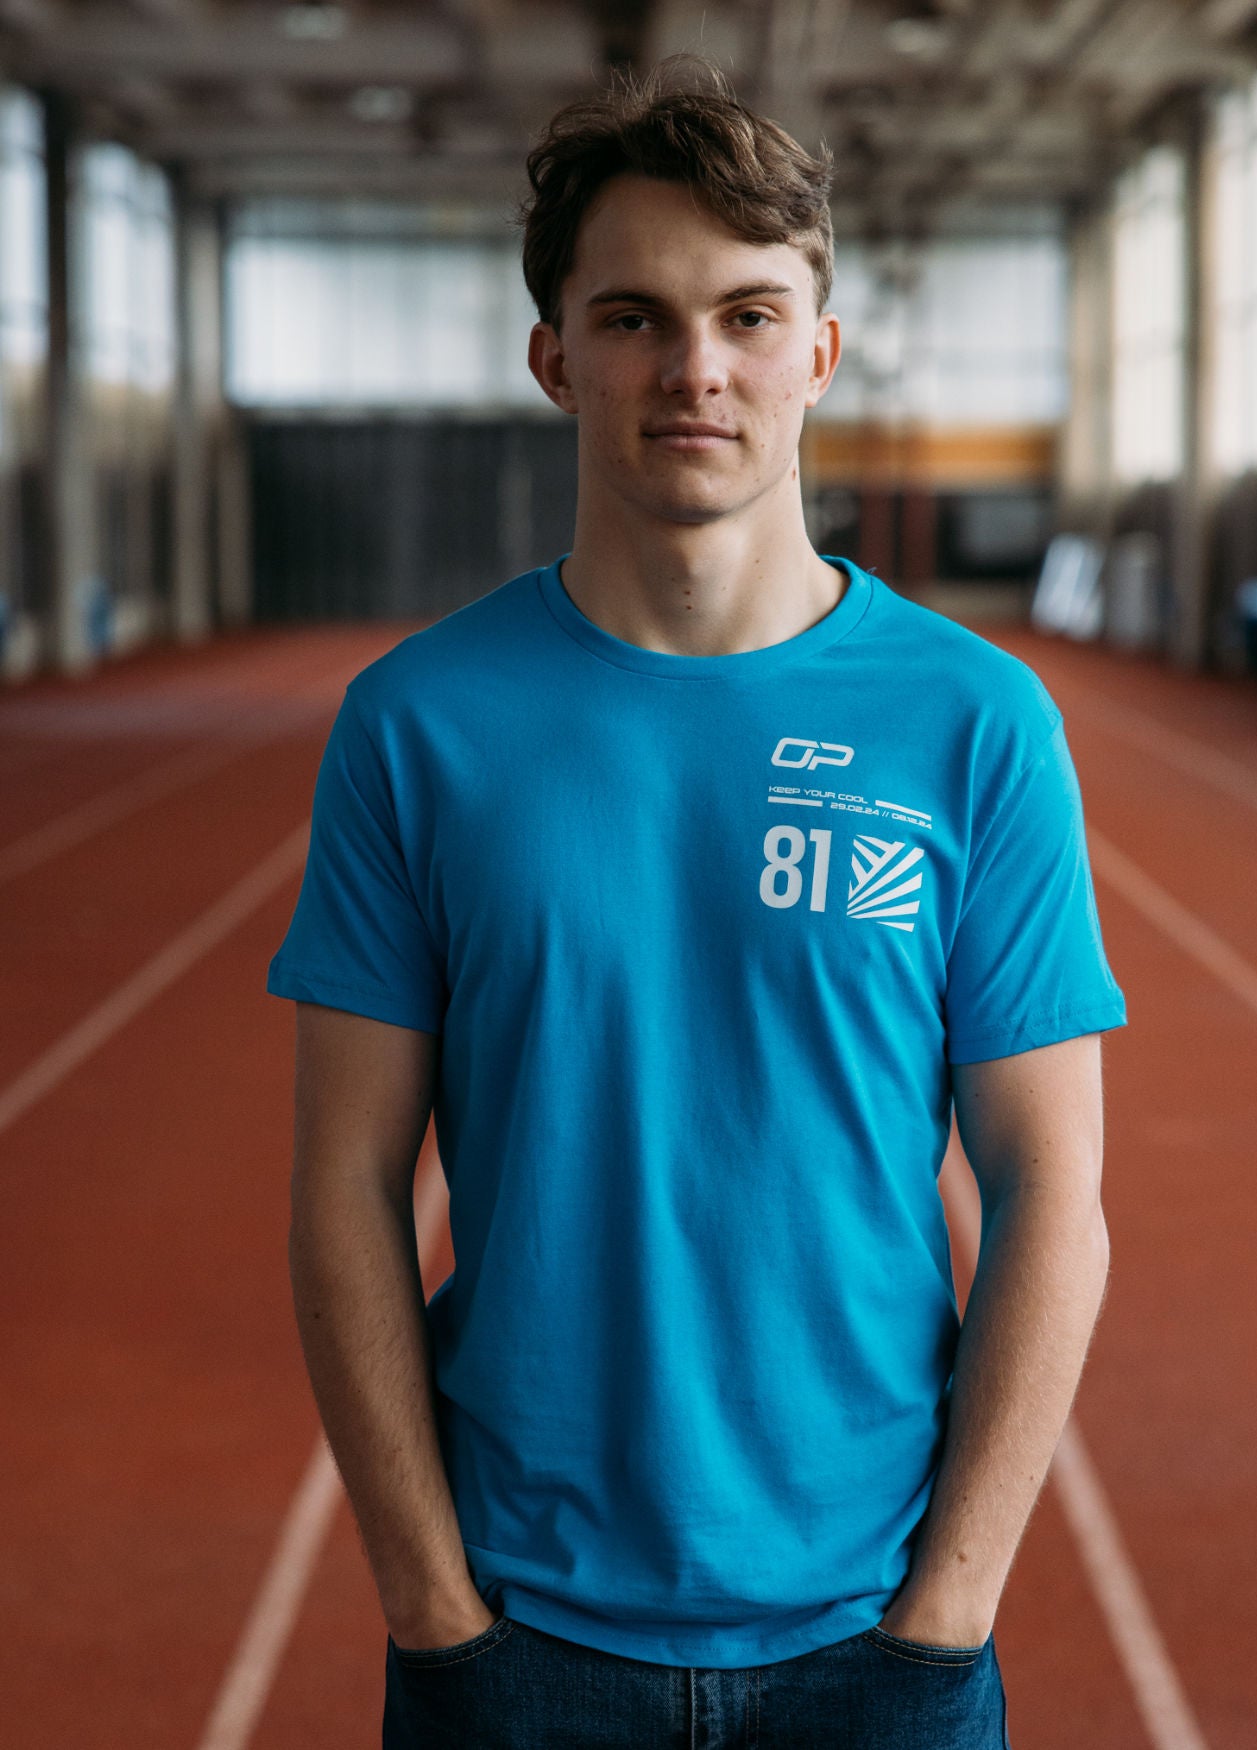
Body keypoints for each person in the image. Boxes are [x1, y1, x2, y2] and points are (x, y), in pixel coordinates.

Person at [267, 55, 1127, 1750]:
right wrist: (433, 1609)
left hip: (878, 1645)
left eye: (747, 314)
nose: (696, 369)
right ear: (554, 357)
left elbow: (1052, 1188)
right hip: (515, 1639)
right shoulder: (419, 723)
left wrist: (945, 1610)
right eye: (636, 318)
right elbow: (346, 1184)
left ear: (818, 348)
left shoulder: (975, 723)